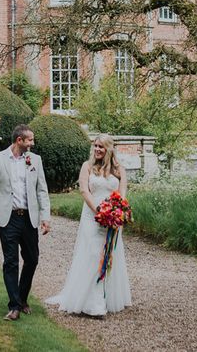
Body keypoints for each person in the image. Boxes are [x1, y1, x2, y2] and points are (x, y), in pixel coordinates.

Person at [46, 134, 131, 316]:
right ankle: (93, 303)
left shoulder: (119, 169)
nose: (97, 150)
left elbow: (122, 193)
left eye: (101, 147)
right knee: (93, 254)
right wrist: (100, 211)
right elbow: (84, 191)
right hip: (92, 216)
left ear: (109, 149)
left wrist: (117, 213)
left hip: (113, 218)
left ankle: (107, 296)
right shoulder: (87, 166)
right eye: (95, 146)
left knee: (109, 254)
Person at [0, 124, 51, 321]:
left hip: (30, 218)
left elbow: (42, 190)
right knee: (11, 262)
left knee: (32, 259)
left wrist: (45, 216)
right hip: (8, 218)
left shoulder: (35, 160)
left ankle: (22, 298)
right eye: (29, 140)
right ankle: (14, 306)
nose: (32, 143)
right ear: (19, 140)